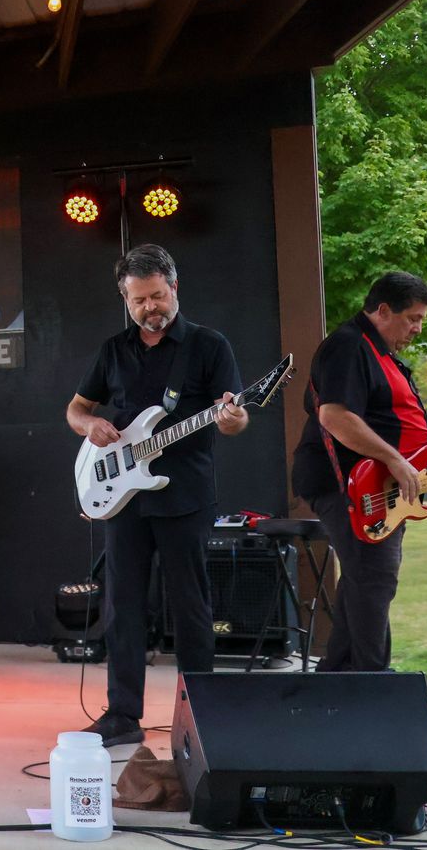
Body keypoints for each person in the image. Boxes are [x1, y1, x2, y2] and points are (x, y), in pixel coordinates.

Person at [65, 245, 247, 747]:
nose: (151, 308)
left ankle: (201, 714)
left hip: (185, 494)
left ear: (174, 288)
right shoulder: (113, 350)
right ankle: (123, 715)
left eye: (158, 296)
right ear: (125, 299)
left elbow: (233, 418)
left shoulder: (208, 346)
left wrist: (233, 417)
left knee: (191, 605)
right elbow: (76, 410)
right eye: (139, 300)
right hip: (124, 496)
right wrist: (90, 425)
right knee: (122, 605)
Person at [291, 272, 427, 672]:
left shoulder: (381, 355)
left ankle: (340, 676)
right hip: (346, 483)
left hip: (376, 484)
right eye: (412, 318)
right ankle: (375, 680)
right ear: (383, 310)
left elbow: (400, 428)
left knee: (363, 579)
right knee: (375, 578)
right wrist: (396, 461)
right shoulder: (349, 345)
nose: (417, 329)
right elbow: (335, 416)